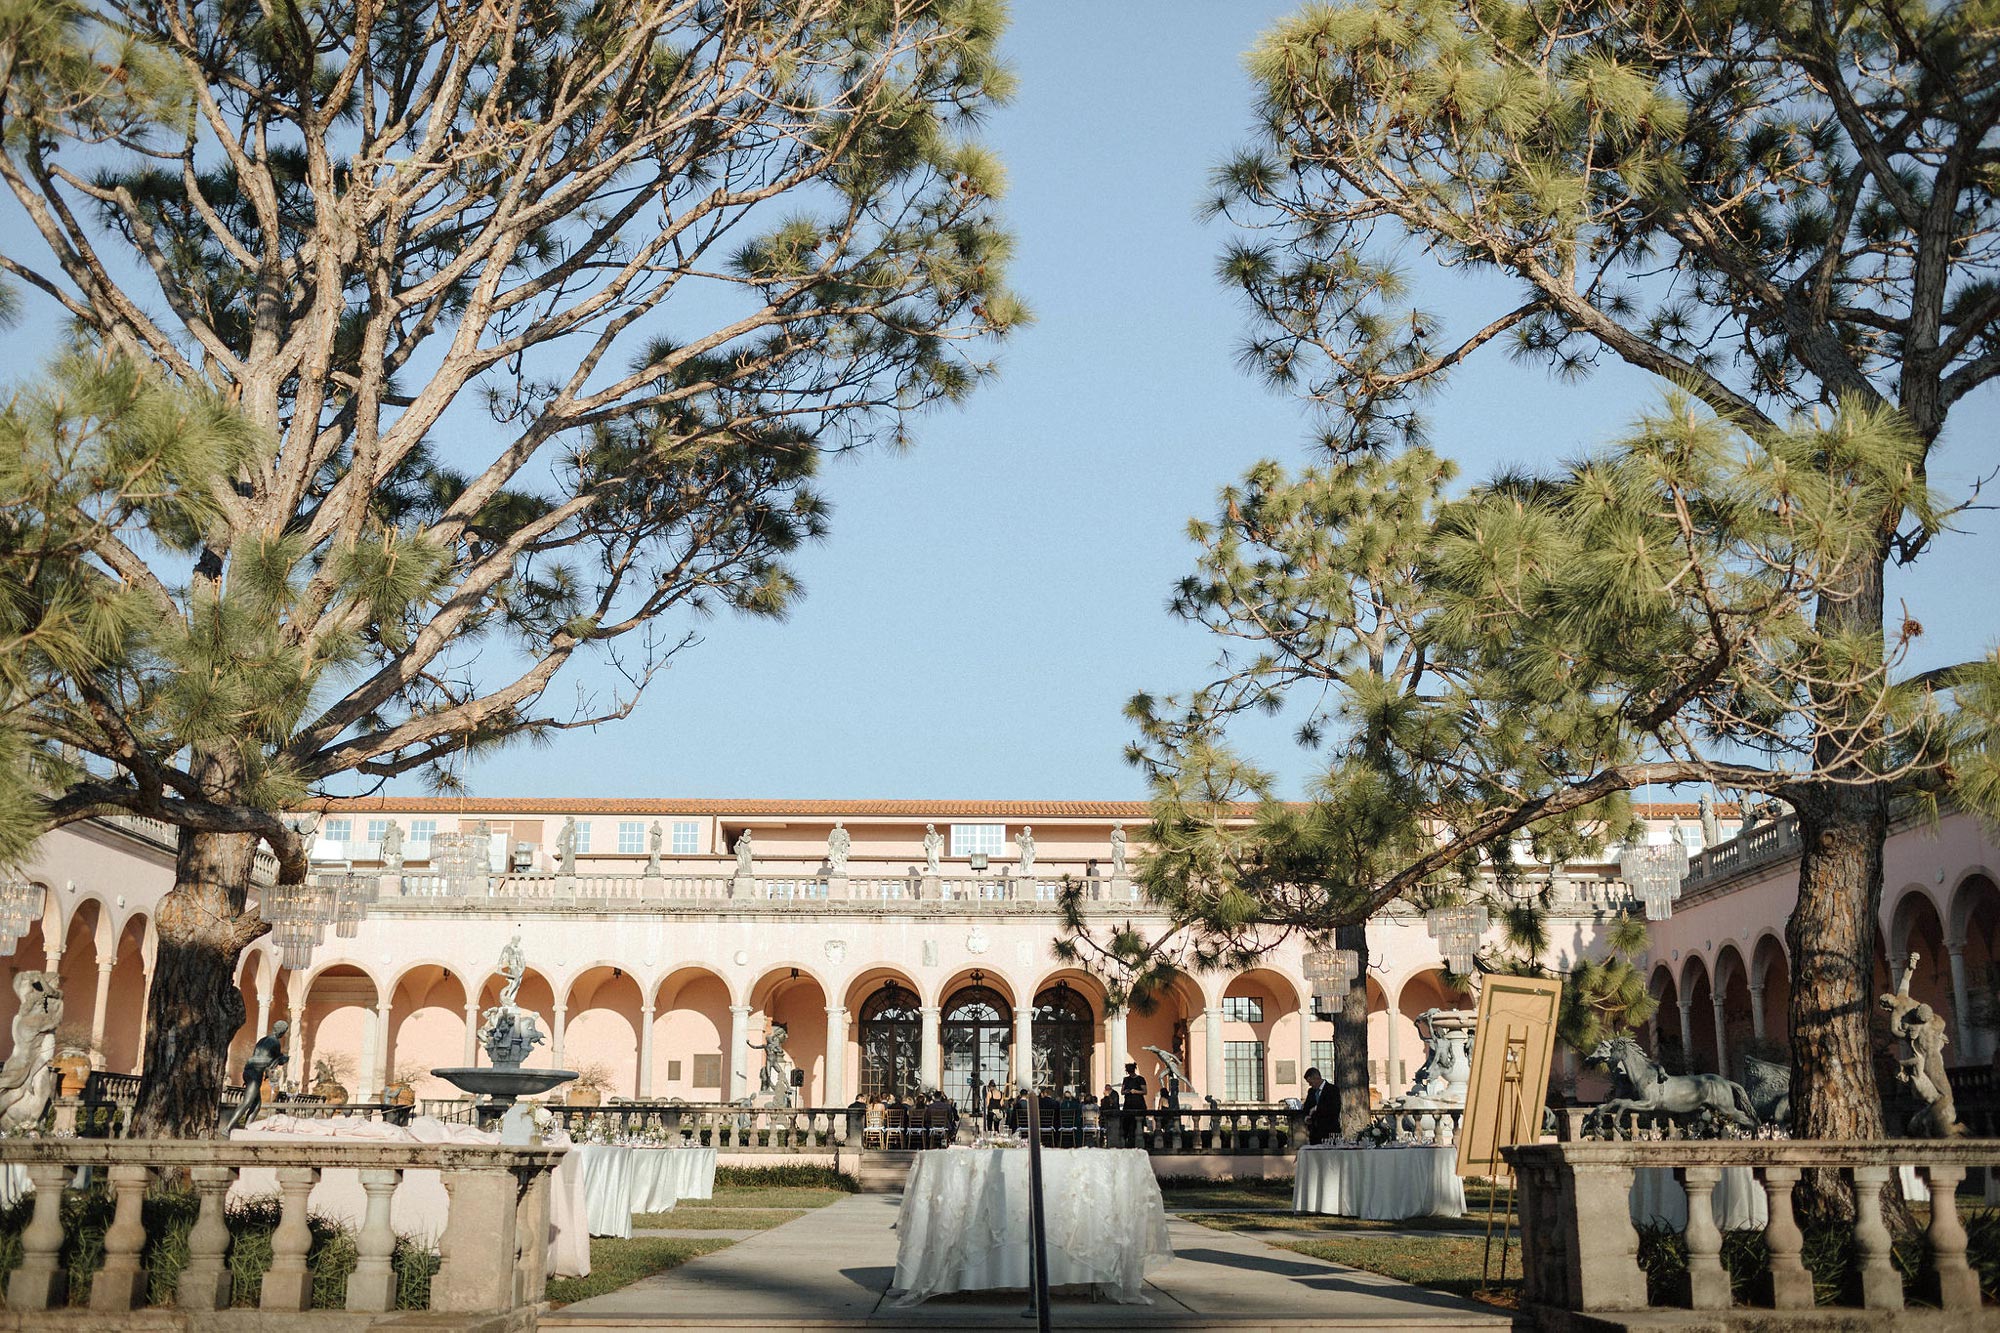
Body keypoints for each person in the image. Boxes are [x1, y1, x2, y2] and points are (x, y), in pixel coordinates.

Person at [1302, 1065, 1337, 1144]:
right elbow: (1306, 1107)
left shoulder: (1332, 1090)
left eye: (1310, 1082)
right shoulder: (1311, 1092)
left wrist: (1316, 1108)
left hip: (1329, 1131)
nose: (1310, 1085)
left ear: (1316, 1078)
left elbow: (1334, 1108)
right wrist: (1307, 1117)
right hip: (1314, 1133)